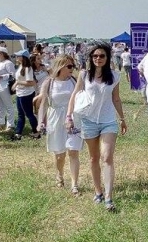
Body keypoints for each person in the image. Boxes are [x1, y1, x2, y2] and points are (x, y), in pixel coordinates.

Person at [66, 43, 127, 211]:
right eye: (95, 56)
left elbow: (116, 98)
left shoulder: (114, 76)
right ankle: (98, 191)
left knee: (107, 158)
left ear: (107, 58)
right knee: (94, 158)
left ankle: (108, 197)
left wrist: (122, 119)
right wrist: (69, 117)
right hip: (88, 120)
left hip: (108, 121)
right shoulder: (84, 75)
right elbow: (74, 95)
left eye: (102, 56)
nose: (98, 59)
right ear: (90, 58)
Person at [37, 55, 83, 195]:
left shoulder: (74, 81)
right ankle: (60, 175)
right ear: (60, 66)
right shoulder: (49, 83)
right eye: (69, 66)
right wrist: (40, 122)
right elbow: (43, 105)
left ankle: (74, 184)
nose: (72, 69)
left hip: (73, 118)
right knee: (59, 154)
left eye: (73, 66)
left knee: (73, 151)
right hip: (55, 119)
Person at [11, 50, 40, 140]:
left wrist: (18, 83)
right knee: (20, 114)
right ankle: (18, 133)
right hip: (20, 93)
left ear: (23, 57)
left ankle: (36, 132)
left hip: (26, 94)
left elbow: (30, 83)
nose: (16, 58)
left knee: (29, 114)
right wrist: (15, 85)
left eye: (18, 56)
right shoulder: (20, 67)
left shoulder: (28, 68)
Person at [0, 47, 15, 132]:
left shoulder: (8, 63)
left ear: (3, 53)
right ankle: (1, 123)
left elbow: (13, 75)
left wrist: (3, 76)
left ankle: (10, 125)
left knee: (8, 106)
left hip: (4, 86)